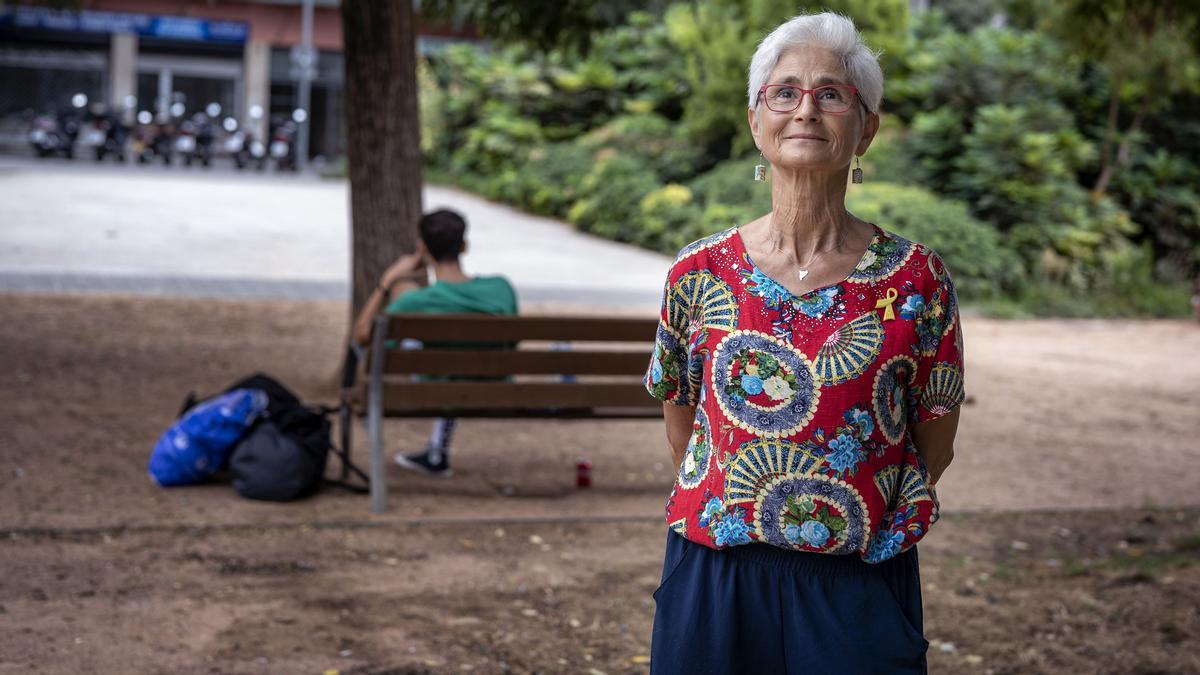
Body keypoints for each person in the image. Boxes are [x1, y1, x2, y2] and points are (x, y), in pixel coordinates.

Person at [644, 12, 963, 673]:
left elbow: (933, 439)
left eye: (832, 93)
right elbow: (684, 431)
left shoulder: (916, 278)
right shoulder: (698, 272)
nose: (806, 110)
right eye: (784, 92)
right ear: (756, 120)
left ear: (866, 128)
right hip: (716, 576)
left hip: (859, 584)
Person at [352, 208, 517, 476]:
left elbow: (361, 335)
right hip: (492, 384)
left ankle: (426, 451)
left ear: (422, 248)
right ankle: (436, 451)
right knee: (453, 359)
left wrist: (386, 283)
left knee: (401, 322)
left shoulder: (414, 302)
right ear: (464, 246)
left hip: (435, 386)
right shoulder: (501, 289)